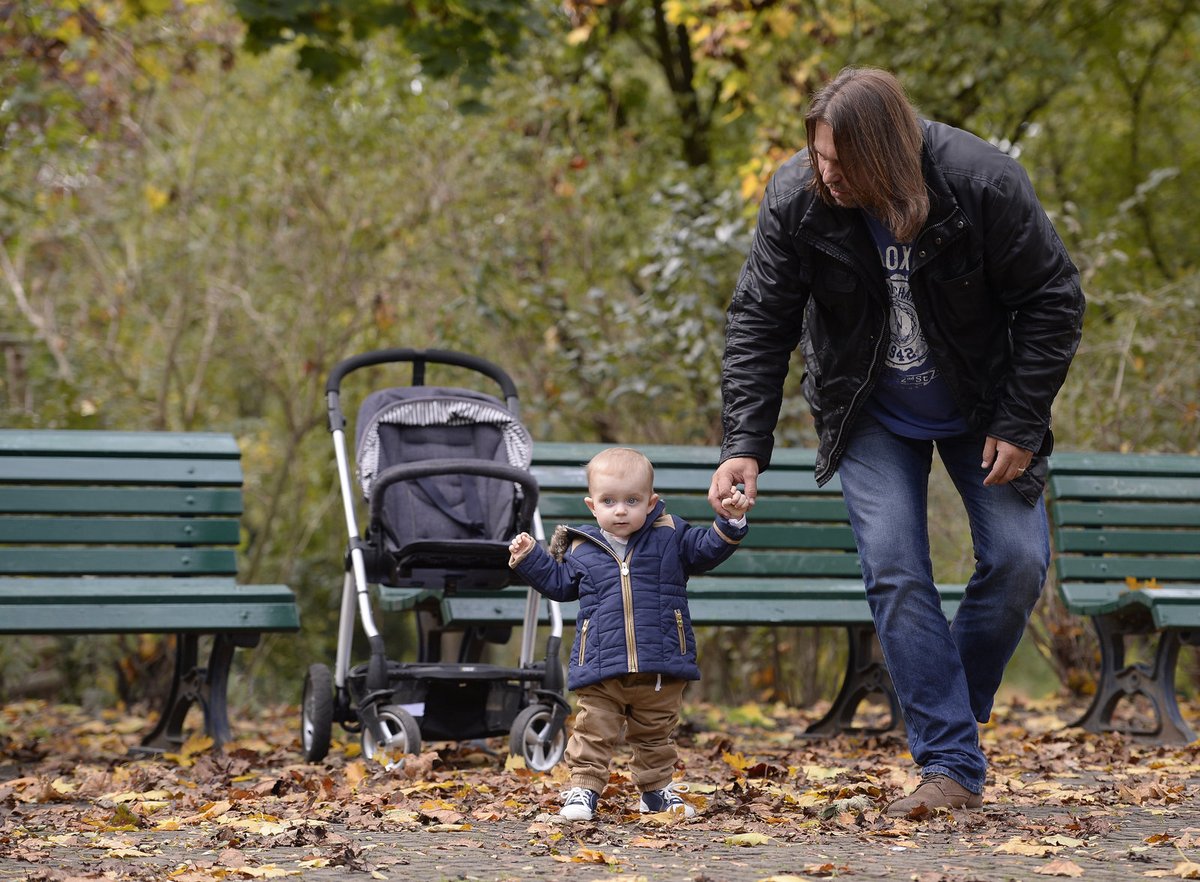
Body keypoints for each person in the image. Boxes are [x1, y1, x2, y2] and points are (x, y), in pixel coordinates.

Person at [707, 67, 1085, 815]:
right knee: (895, 569)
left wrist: (1018, 420)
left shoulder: (983, 184)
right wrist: (743, 441)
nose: (827, 175)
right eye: (818, 156)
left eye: (844, 164)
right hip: (868, 409)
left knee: (1018, 564)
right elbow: (759, 318)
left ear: (892, 151)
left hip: (986, 405)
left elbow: (1053, 301)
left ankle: (943, 712)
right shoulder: (798, 197)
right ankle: (949, 763)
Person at [509, 446, 750, 822]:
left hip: (660, 664)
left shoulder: (670, 534)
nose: (620, 510)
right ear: (593, 506)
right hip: (603, 664)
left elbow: (706, 551)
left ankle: (655, 793)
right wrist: (531, 558)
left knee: (655, 735)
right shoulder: (581, 547)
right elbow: (558, 585)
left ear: (650, 501)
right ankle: (583, 791)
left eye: (632, 500)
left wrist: (730, 523)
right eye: (609, 501)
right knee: (593, 731)